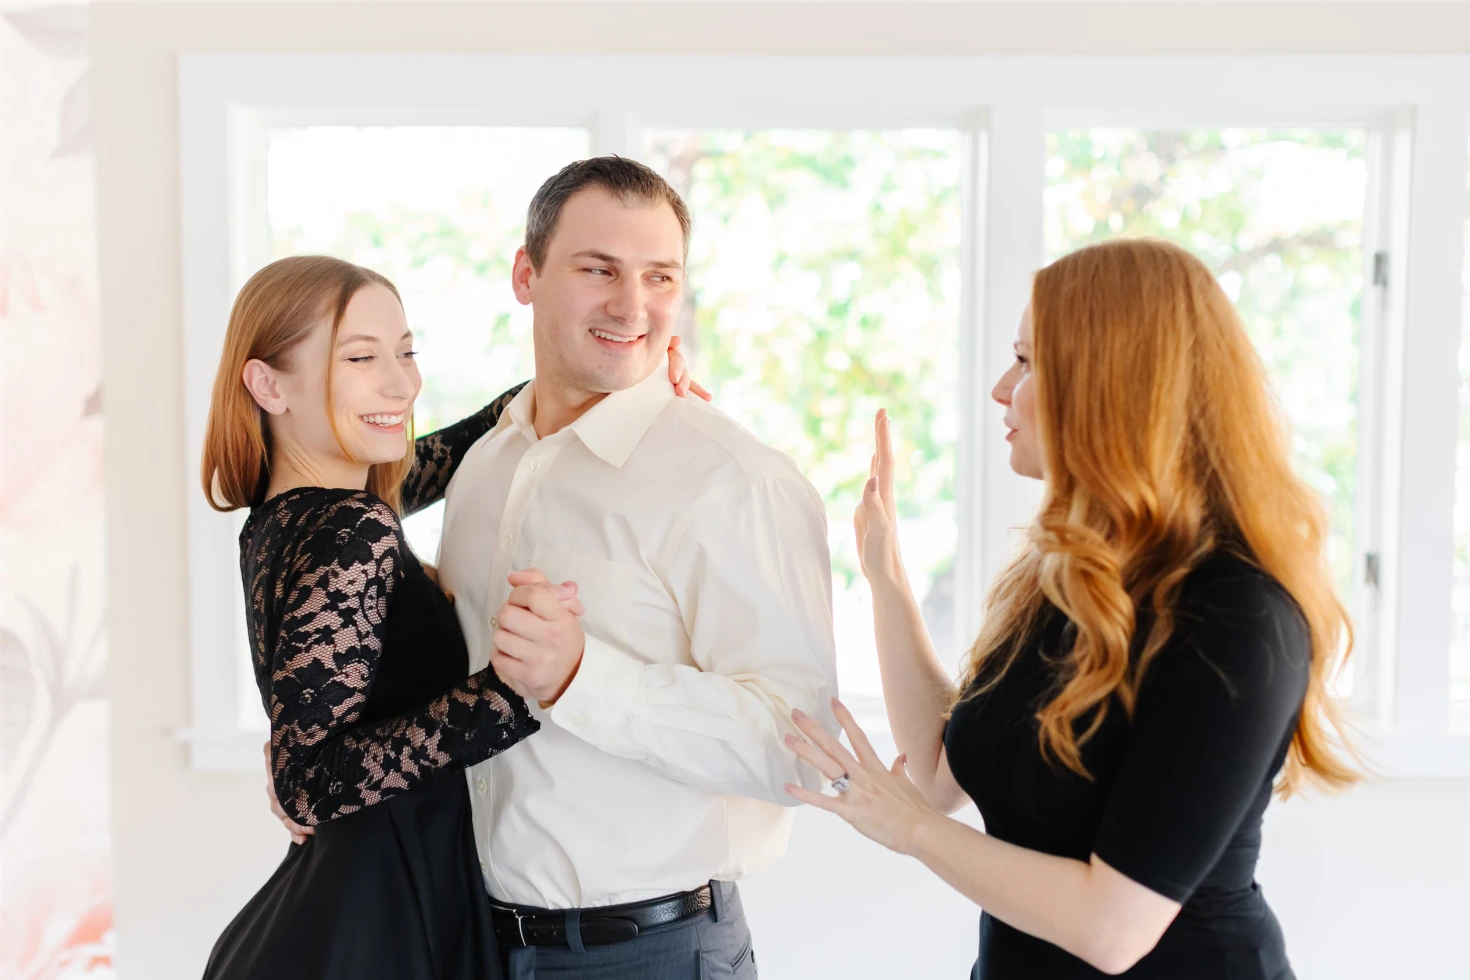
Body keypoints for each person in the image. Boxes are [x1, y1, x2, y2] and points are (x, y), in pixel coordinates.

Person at [784, 238, 1359, 979]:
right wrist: (886, 579)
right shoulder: (1063, 576)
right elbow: (934, 773)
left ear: (1109, 385)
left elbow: (1114, 928)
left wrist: (911, 830)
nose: (1000, 388)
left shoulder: (1238, 614)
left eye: (1026, 362)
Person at [202, 254, 700, 980]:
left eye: (406, 352)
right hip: (374, 925)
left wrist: (632, 378)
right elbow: (309, 781)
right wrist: (517, 686)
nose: (402, 383)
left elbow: (472, 435)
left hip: (357, 908)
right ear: (268, 384)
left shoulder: (285, 518)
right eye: (362, 357)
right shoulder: (352, 527)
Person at [434, 157, 840, 979]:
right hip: (466, 943)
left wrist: (584, 675)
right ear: (527, 273)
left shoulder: (735, 481)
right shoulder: (483, 465)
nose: (632, 305)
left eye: (660, 276)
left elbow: (806, 750)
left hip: (649, 955)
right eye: (598, 271)